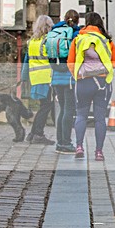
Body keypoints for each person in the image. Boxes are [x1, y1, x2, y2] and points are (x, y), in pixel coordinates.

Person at [67, 12, 115, 161]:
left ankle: (79, 146)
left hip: (84, 81)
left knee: (81, 115)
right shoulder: (106, 41)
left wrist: (77, 75)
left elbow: (70, 62)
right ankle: (98, 152)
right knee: (99, 118)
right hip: (102, 83)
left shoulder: (78, 40)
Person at [47, 10, 81, 154]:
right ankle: (66, 142)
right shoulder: (75, 34)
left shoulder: (54, 31)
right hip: (69, 77)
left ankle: (59, 142)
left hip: (56, 76)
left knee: (62, 109)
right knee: (69, 110)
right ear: (77, 21)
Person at [21, 15, 55, 145]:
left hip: (35, 77)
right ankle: (38, 134)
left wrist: (24, 78)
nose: (52, 28)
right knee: (46, 106)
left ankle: (32, 133)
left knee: (43, 105)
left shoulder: (32, 41)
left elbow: (27, 61)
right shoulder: (47, 41)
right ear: (47, 27)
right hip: (46, 77)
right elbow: (52, 59)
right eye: (50, 26)